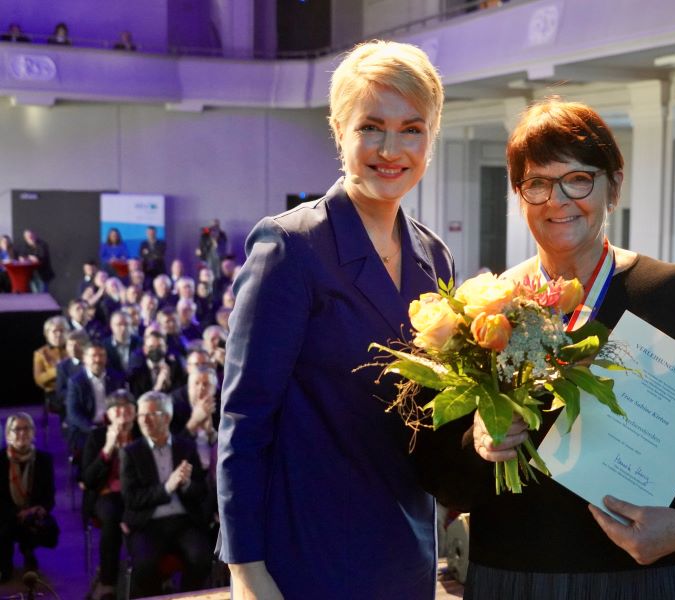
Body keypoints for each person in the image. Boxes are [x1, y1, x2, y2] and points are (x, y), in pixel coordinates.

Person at [418, 99, 675, 599]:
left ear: (614, 188)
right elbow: (440, 476)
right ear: (519, 195)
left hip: (663, 577)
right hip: (521, 578)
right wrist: (480, 442)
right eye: (537, 182)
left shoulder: (672, 295)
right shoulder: (485, 310)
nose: (557, 200)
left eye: (578, 178)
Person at [217, 39, 451, 598]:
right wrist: (245, 568)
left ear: (431, 137)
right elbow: (244, 419)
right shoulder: (291, 247)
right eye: (371, 126)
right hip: (309, 552)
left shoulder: (434, 255)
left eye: (412, 128)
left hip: (407, 550)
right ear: (338, 129)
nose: (391, 148)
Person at [120, 392, 211, 597]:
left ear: (167, 417)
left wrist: (186, 484)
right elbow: (131, 499)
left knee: (201, 558)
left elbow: (201, 491)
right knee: (145, 566)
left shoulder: (186, 447)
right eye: (141, 415)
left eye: (151, 414)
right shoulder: (131, 452)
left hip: (183, 520)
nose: (144, 420)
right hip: (147, 523)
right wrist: (167, 487)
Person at [80, 390, 139, 600]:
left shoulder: (141, 433)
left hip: (137, 494)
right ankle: (108, 581)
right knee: (113, 516)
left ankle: (148, 575)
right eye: (117, 408)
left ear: (135, 411)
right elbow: (88, 479)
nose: (122, 412)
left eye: (127, 407)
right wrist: (107, 449)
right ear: (108, 413)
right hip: (106, 493)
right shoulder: (96, 437)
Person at [0, 414, 57, 582]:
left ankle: (28, 552)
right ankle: (4, 562)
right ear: (8, 434)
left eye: (27, 429)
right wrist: (16, 513)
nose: (22, 433)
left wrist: (38, 509)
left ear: (33, 433)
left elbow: (49, 496)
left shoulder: (44, 460)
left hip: (33, 513)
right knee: (3, 527)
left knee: (41, 526)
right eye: (17, 429)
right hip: (6, 513)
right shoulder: (0, 460)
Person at [32, 316, 69, 413]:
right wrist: (57, 370)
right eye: (54, 331)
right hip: (53, 392)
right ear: (46, 334)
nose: (59, 334)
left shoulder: (73, 349)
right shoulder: (40, 353)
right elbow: (39, 380)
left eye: (62, 331)